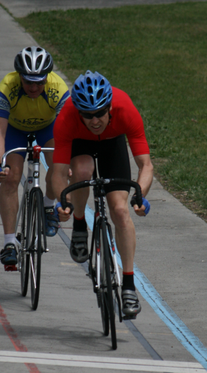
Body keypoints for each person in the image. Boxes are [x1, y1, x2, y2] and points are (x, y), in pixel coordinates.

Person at [51, 70, 153, 317]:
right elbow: (58, 173)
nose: (94, 120)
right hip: (80, 144)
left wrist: (140, 197)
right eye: (87, 114)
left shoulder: (124, 108)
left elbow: (146, 165)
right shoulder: (66, 119)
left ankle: (128, 286)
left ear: (110, 106)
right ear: (78, 112)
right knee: (83, 169)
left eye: (99, 113)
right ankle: (78, 226)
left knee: (119, 210)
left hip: (112, 143)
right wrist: (63, 202)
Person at [0, 46, 70, 267]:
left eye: (39, 82)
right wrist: (0, 164)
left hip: (49, 128)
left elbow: (69, 133)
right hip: (15, 130)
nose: (34, 87)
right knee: (11, 176)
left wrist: (68, 163)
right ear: (19, 77)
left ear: (47, 78)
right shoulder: (7, 87)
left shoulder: (59, 88)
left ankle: (47, 206)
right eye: (28, 82)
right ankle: (9, 243)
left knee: (59, 168)